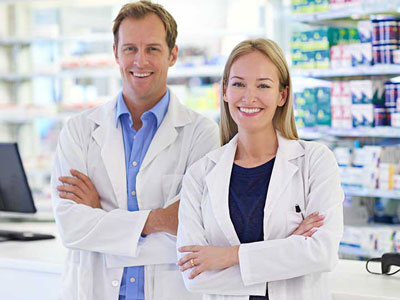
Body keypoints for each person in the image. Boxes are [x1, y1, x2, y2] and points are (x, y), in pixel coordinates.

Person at [51, 1, 219, 299]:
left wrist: (101, 220)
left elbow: (195, 236)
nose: (140, 61)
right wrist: (159, 219)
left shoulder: (202, 135)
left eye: (153, 49)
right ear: (116, 53)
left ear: (173, 55)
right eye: (130, 49)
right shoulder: (79, 131)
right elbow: (72, 228)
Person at [176, 38, 344, 300]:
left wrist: (227, 256)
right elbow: (193, 275)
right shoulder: (200, 175)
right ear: (224, 91)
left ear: (282, 95)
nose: (248, 96)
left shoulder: (315, 162)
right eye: (238, 84)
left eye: (263, 85)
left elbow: (321, 253)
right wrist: (288, 252)